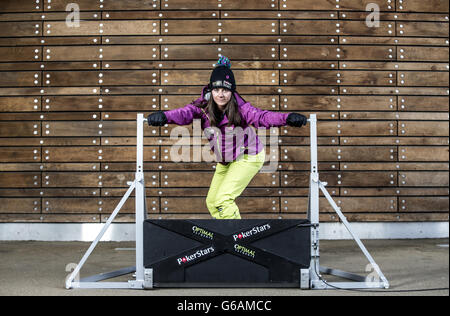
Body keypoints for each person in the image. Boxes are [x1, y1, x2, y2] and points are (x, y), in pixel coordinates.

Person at [148, 57, 307, 219]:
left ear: (232, 91)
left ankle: (237, 241)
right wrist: (164, 116)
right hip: (225, 161)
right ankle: (224, 239)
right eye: (217, 90)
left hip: (248, 155)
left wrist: (287, 118)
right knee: (212, 202)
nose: (221, 95)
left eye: (225, 90)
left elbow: (262, 118)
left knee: (223, 200)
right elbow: (183, 113)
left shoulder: (242, 109)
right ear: (211, 91)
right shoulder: (202, 107)